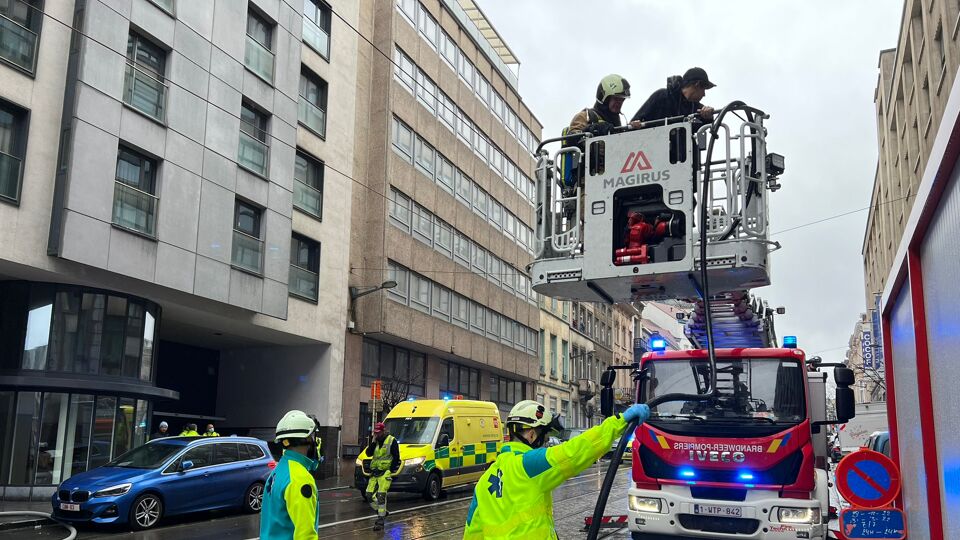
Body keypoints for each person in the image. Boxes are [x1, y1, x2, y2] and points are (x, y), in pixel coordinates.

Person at [462, 400, 650, 539]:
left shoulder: (484, 481)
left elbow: (472, 533)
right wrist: (619, 423)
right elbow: (575, 451)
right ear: (531, 434)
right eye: (543, 437)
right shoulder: (529, 464)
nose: (544, 443)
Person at [260, 410, 322, 540]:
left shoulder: (280, 470)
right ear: (307, 439)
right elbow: (306, 535)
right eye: (312, 436)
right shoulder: (300, 478)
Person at [631, 67, 716, 125]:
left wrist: (708, 116)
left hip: (684, 152)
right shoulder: (661, 96)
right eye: (703, 89)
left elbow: (702, 125)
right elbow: (634, 122)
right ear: (697, 84)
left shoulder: (697, 109)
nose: (704, 94)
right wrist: (635, 124)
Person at [361, 422, 400, 531]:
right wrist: (373, 442)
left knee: (381, 495)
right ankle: (381, 512)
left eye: (378, 433)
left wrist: (390, 470)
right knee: (368, 495)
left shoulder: (391, 440)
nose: (376, 435)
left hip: (385, 472)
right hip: (374, 473)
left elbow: (396, 457)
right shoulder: (375, 442)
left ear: (383, 431)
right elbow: (368, 453)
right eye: (375, 433)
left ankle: (380, 520)